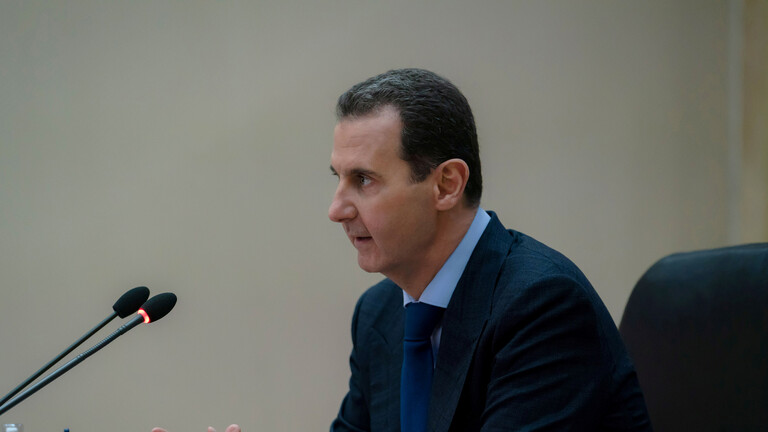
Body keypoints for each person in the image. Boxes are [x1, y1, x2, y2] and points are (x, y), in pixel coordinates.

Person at [328, 68, 652, 431]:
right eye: (338, 178)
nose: (336, 210)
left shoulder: (543, 305)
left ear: (447, 185)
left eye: (364, 179)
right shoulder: (378, 312)